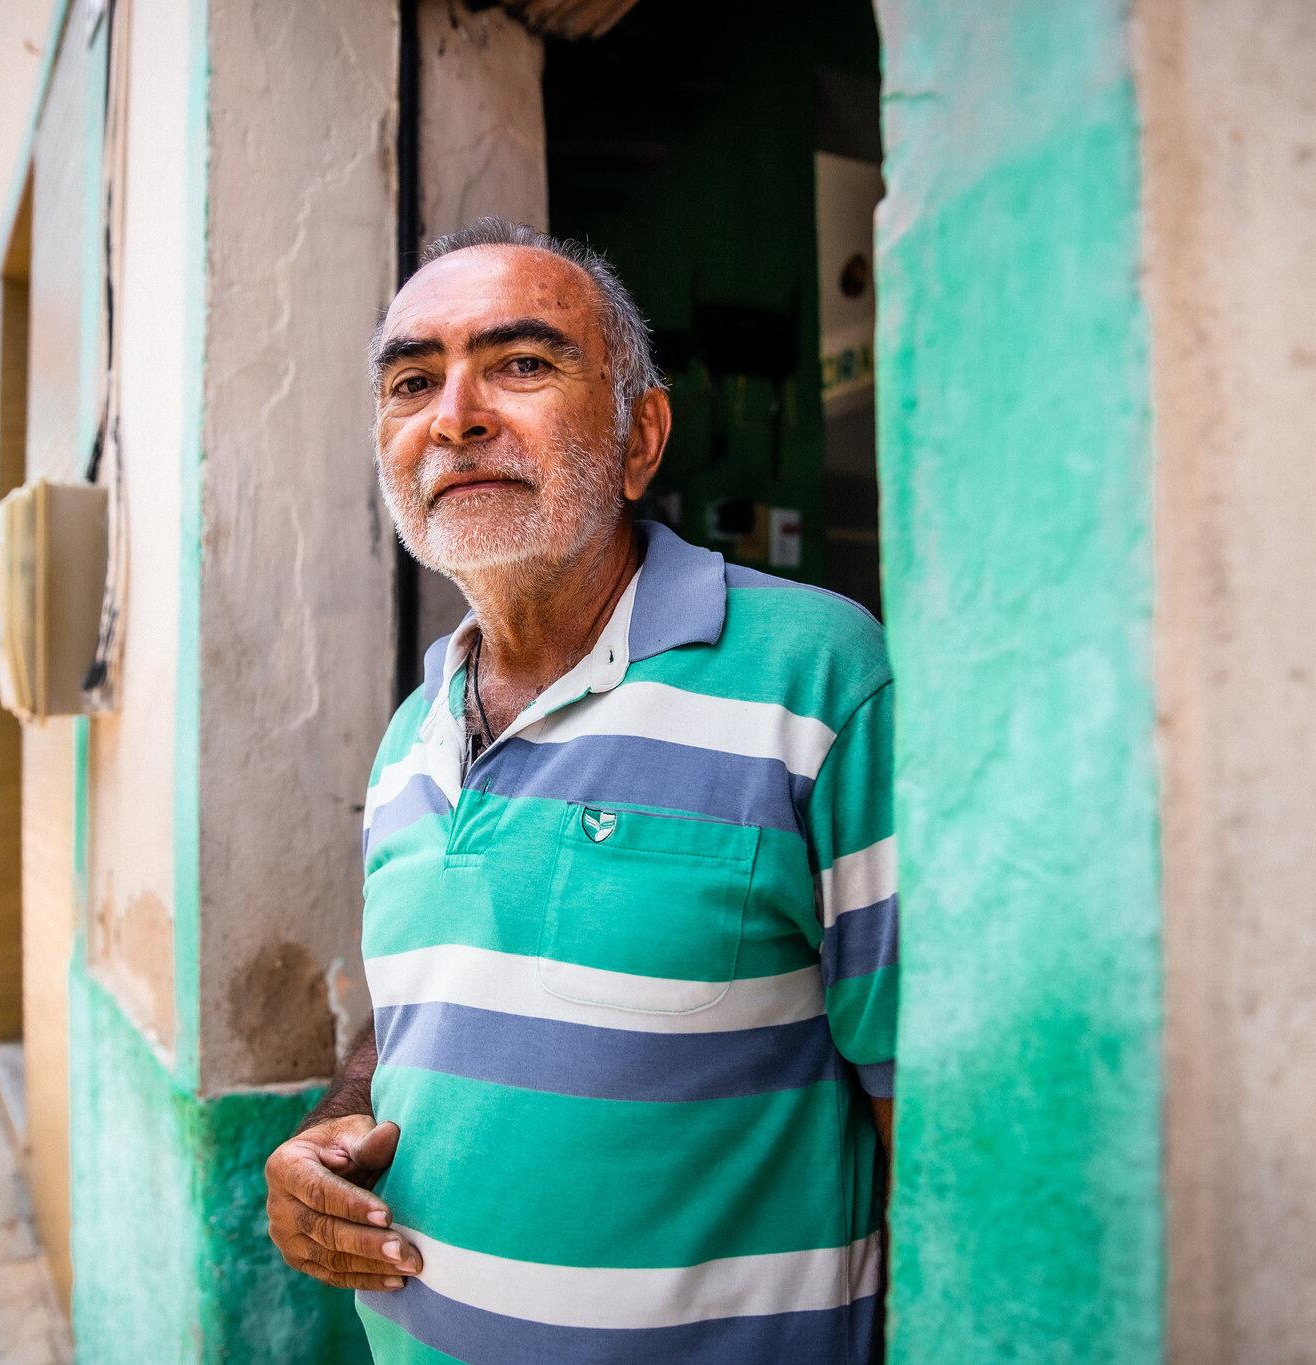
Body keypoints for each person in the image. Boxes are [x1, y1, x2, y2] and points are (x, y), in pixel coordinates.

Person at [264, 219, 897, 1362]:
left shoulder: (817, 680)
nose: (452, 415)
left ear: (638, 437)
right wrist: (328, 1127)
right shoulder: (412, 736)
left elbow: (930, 1112)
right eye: (413, 379)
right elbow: (434, 1011)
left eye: (520, 363)